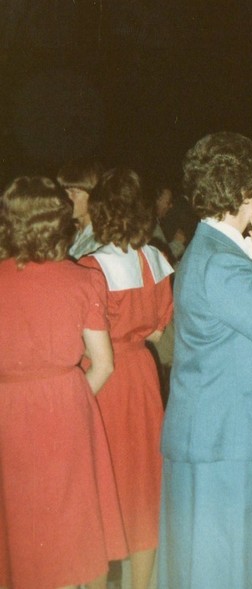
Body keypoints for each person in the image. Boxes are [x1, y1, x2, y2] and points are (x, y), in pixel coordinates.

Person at [158, 132, 252, 589]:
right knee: (226, 569)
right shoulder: (222, 262)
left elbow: (251, 329)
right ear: (248, 191)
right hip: (226, 439)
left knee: (221, 565)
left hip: (218, 431)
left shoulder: (212, 249)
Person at [0, 176, 127, 589]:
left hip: (8, 413)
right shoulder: (82, 279)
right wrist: (65, 398)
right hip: (65, 411)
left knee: (19, 524)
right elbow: (103, 365)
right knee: (71, 527)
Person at [79, 168, 174, 589]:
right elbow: (157, 330)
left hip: (104, 380)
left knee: (99, 484)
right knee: (142, 485)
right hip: (141, 374)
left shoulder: (90, 267)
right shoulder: (154, 258)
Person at [57, 158, 104, 259]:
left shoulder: (99, 242)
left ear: (95, 195)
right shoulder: (70, 233)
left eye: (75, 192)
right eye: (65, 192)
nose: (67, 198)